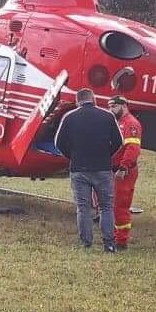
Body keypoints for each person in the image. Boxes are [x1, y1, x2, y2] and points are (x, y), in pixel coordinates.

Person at [53, 86, 123, 253]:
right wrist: (106, 155)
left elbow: (58, 143)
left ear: (77, 101)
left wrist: (73, 156)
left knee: (83, 208)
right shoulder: (107, 116)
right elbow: (119, 141)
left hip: (79, 169)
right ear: (94, 99)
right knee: (106, 207)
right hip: (102, 168)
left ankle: (86, 243)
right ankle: (109, 244)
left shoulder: (69, 117)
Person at [109, 96, 143, 251]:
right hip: (114, 170)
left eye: (114, 106)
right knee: (112, 205)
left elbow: (132, 149)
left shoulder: (131, 123)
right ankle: (115, 235)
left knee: (120, 206)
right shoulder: (118, 122)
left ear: (123, 106)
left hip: (124, 172)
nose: (111, 110)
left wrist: (123, 168)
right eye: (109, 106)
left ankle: (121, 241)